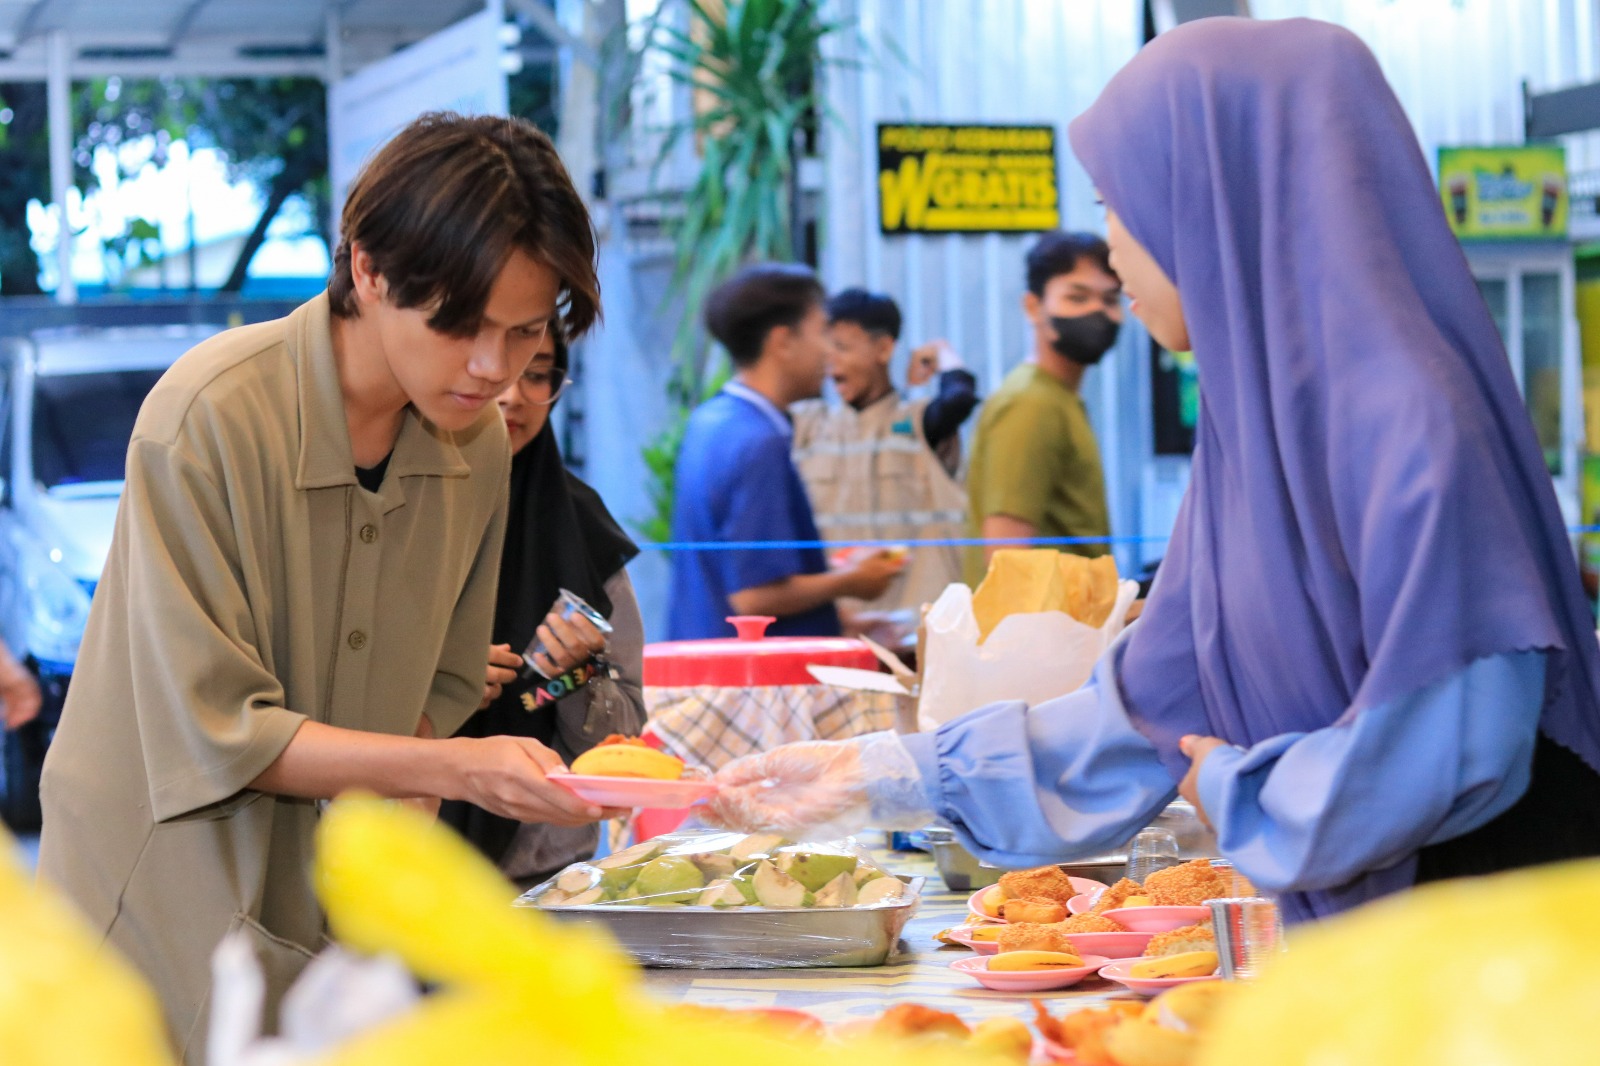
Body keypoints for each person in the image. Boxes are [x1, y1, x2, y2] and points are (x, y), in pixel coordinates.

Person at [702, 18, 1600, 924]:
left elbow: (1458, 733)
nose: (1113, 247)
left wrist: (1243, 790)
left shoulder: (1408, 417)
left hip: (1491, 943)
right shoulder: (1258, 430)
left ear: (1218, 195)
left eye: (1119, 203)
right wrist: (875, 775)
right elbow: (1147, 703)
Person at [36, 113, 618, 1060]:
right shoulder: (208, 417)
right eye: (461, 325)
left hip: (320, 917)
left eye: (523, 334)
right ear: (369, 269)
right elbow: (224, 729)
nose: (494, 371)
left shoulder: (476, 450)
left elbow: (429, 700)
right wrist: (464, 769)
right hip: (148, 902)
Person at [440, 328, 647, 888]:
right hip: (390, 872)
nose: (510, 394)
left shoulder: (581, 530)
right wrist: (430, 683)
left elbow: (621, 745)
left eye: (536, 375)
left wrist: (576, 677)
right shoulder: (388, 512)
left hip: (541, 882)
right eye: (494, 370)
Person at [666, 264, 903, 641]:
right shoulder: (760, 442)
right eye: (822, 332)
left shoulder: (710, 421)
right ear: (782, 342)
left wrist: (837, 625)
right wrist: (852, 581)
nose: (830, 351)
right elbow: (752, 597)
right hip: (749, 682)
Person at [792, 289, 976, 621]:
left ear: (884, 348)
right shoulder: (808, 425)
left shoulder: (919, 421)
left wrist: (941, 352)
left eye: (843, 347)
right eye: (825, 348)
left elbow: (961, 398)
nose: (830, 359)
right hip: (840, 632)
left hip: (920, 636)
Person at [963, 232, 1124, 584]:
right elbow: (1006, 561)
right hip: (1038, 635)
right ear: (1034, 307)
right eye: (1077, 297)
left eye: (1111, 300)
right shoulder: (1031, 404)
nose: (1097, 311)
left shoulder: (1057, 398)